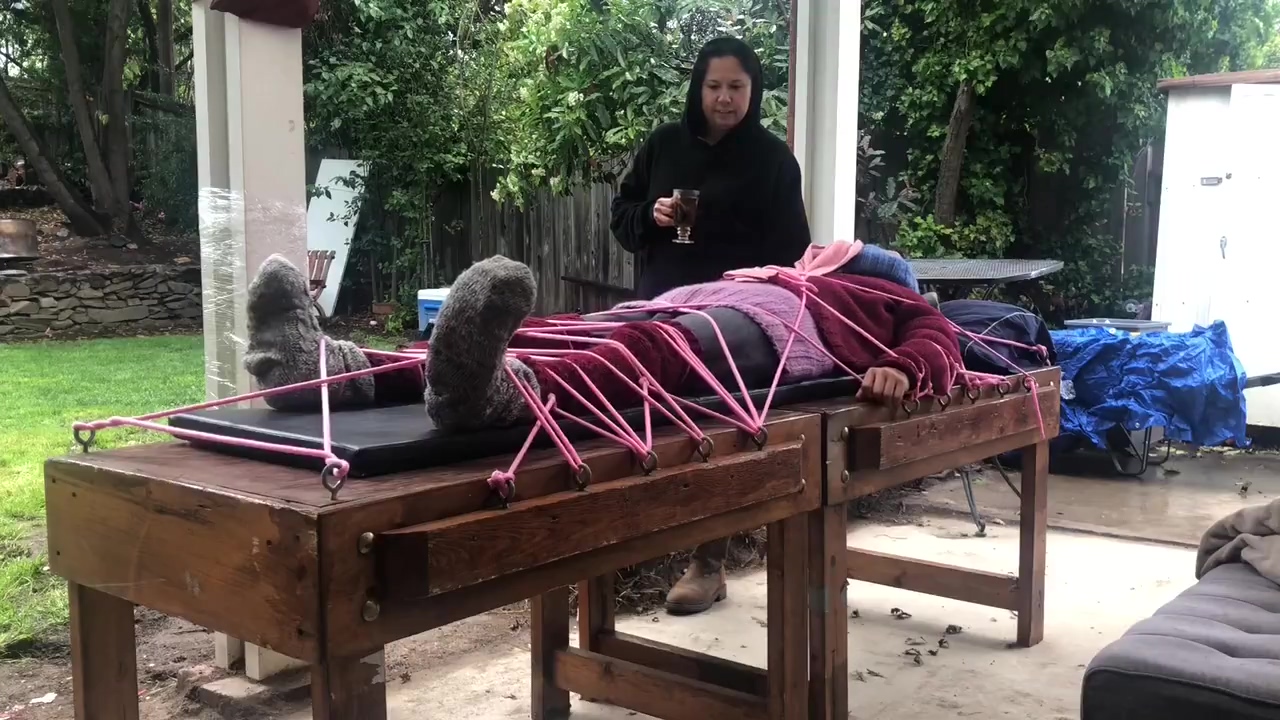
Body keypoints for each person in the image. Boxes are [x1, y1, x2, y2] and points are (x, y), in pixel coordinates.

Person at [243, 247, 962, 616]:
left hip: (762, 338)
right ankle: (335, 370)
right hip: (680, 305)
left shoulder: (876, 294)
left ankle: (495, 402)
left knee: (643, 358)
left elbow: (938, 337)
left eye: (839, 251)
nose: (822, 252)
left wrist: (901, 366)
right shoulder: (770, 269)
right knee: (547, 335)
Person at [610, 36, 811, 300]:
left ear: (754, 90)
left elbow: (792, 258)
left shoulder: (775, 160)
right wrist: (651, 214)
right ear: (698, 90)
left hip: (736, 317)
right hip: (660, 310)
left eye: (736, 86)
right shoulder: (664, 143)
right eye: (714, 86)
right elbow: (622, 217)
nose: (724, 98)